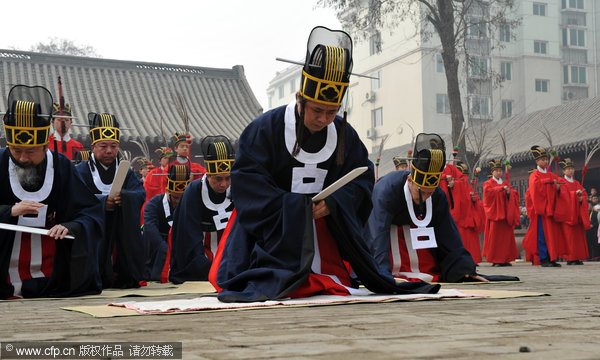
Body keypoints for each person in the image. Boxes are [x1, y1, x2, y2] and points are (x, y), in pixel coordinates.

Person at [209, 26, 439, 302]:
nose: (324, 119)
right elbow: (248, 182)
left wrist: (334, 203)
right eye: (317, 110)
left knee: (332, 281)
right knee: (261, 280)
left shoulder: (345, 135)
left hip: (323, 230)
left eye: (332, 112)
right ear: (299, 99)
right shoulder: (265, 130)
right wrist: (296, 207)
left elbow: (363, 180)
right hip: (270, 232)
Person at [0, 85, 102, 299]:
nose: (23, 158)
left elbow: (90, 212)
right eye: (16, 150)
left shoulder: (61, 166)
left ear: (45, 146)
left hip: (51, 265)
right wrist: (9, 211)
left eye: (31, 151)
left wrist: (70, 225)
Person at [367, 133, 487, 283]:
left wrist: (462, 268)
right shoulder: (386, 190)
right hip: (387, 234)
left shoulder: (437, 195)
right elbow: (377, 234)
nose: (424, 198)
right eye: (421, 192)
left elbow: (449, 234)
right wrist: (381, 275)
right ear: (410, 180)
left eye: (429, 193)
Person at [76, 112, 146, 288]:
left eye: (114, 146)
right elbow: (74, 199)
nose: (109, 151)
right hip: (93, 229)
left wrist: (126, 198)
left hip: (119, 226)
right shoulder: (81, 171)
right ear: (93, 147)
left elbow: (139, 193)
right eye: (103, 146)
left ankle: (123, 275)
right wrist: (101, 202)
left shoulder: (125, 171)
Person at [169, 136, 235, 283]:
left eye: (228, 178)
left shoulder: (237, 187)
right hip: (201, 250)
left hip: (231, 247)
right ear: (208, 174)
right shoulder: (194, 190)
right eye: (218, 179)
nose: (224, 184)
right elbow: (189, 235)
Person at [143, 164, 190, 281]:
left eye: (181, 198)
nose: (178, 201)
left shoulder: (190, 203)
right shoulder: (153, 204)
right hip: (157, 245)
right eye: (175, 198)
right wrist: (165, 247)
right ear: (167, 191)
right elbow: (150, 227)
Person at [522, 146, 566, 267]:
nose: (545, 162)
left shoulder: (551, 175)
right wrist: (548, 186)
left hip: (551, 210)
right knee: (542, 235)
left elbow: (561, 185)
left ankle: (552, 257)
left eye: (546, 159)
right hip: (542, 211)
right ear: (537, 161)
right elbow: (535, 192)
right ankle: (543, 258)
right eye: (542, 160)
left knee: (552, 235)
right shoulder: (534, 176)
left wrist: (557, 187)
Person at [482, 159, 520, 266]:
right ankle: (496, 260)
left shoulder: (505, 183)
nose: (499, 172)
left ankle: (506, 259)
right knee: (496, 238)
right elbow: (488, 195)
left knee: (506, 238)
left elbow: (514, 193)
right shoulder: (488, 183)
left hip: (506, 215)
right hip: (496, 214)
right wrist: (500, 189)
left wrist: (509, 193)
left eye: (500, 170)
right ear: (492, 172)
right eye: (496, 170)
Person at [555, 158, 590, 265]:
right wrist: (574, 195)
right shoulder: (561, 182)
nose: (571, 171)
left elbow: (584, 195)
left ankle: (578, 257)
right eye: (568, 169)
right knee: (569, 237)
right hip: (568, 215)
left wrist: (581, 199)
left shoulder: (576, 182)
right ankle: (570, 258)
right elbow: (561, 196)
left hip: (577, 214)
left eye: (572, 169)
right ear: (563, 171)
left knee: (578, 237)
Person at [450, 161, 485, 264]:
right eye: (462, 176)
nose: (465, 178)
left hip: (471, 219)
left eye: (466, 176)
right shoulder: (453, 187)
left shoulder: (469, 187)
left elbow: (477, 200)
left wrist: (474, 200)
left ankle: (473, 259)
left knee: (472, 242)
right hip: (461, 220)